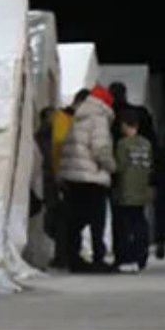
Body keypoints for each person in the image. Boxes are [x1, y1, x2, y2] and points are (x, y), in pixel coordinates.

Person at [57, 85, 117, 273]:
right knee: (96, 221)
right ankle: (98, 258)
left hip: (73, 176)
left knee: (75, 221)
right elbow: (100, 148)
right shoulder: (98, 118)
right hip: (92, 176)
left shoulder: (78, 116)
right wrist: (112, 167)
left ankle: (73, 259)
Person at [112, 110, 155, 271]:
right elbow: (150, 166)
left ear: (124, 125)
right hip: (142, 187)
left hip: (126, 188)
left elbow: (119, 167)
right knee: (140, 223)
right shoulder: (146, 144)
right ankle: (141, 256)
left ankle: (128, 257)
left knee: (126, 225)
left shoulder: (123, 144)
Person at [48, 91, 86, 269]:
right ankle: (64, 254)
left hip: (71, 174)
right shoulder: (63, 119)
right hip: (64, 174)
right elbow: (59, 145)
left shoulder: (69, 119)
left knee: (71, 219)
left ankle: (69, 253)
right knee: (64, 220)